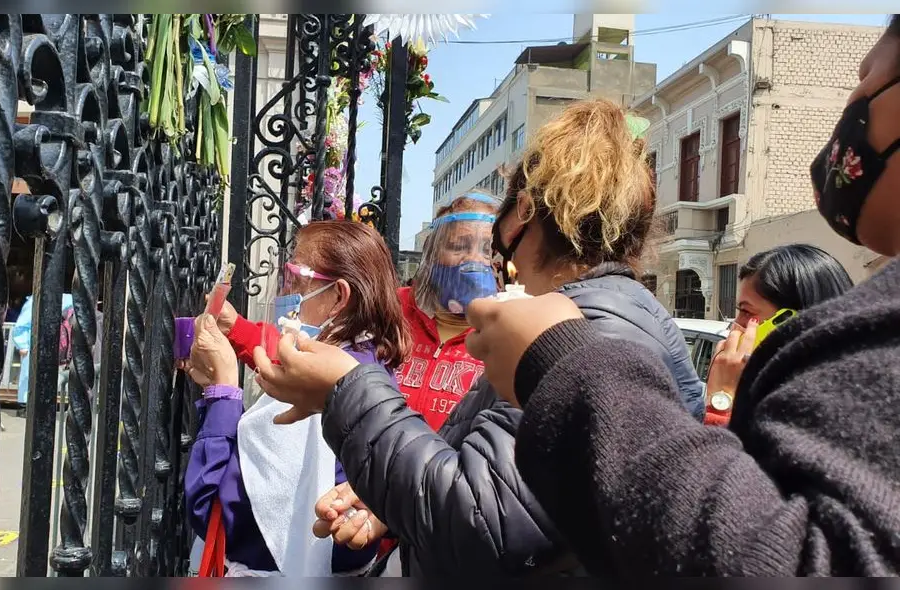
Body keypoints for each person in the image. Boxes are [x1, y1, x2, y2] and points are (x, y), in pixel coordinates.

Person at [461, 14, 900, 576]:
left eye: (868, 78)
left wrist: (563, 363)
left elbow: (787, 558)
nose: (853, 103)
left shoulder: (597, 321)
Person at [247, 97, 703, 576]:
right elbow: (479, 469)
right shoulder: (603, 315)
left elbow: (481, 521)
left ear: (522, 213)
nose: (482, 257)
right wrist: (392, 498)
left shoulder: (585, 328)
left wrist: (348, 388)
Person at [182, 220, 410, 577]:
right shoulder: (364, 362)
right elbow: (276, 353)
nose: (286, 292)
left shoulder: (316, 390)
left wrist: (223, 389)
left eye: (296, 280)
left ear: (338, 296)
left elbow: (211, 505)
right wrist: (235, 327)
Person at [492, 103, 703, 420]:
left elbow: (484, 470)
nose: (497, 254)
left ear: (523, 209)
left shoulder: (583, 327)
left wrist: (385, 392)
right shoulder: (620, 310)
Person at [705, 244, 854, 425]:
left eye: (746, 312)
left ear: (789, 321)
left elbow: (719, 452)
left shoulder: (800, 408)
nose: (736, 326)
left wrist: (722, 397)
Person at [397, 191, 498, 430]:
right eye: (458, 246)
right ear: (433, 255)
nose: (474, 259)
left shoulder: (510, 333)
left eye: (488, 249)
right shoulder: (394, 310)